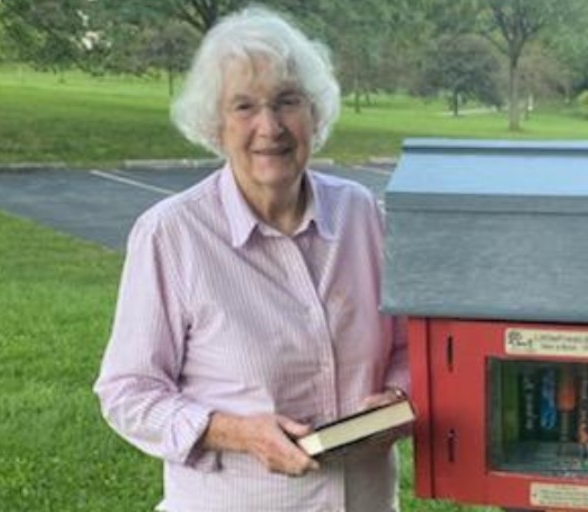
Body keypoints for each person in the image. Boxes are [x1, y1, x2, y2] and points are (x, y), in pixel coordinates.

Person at [93, 5, 408, 512]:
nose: (270, 126)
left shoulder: (361, 213)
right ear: (215, 126)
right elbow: (128, 392)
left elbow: (411, 348)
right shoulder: (172, 234)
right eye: (244, 106)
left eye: (287, 102)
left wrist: (399, 399)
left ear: (315, 114)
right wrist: (238, 433)